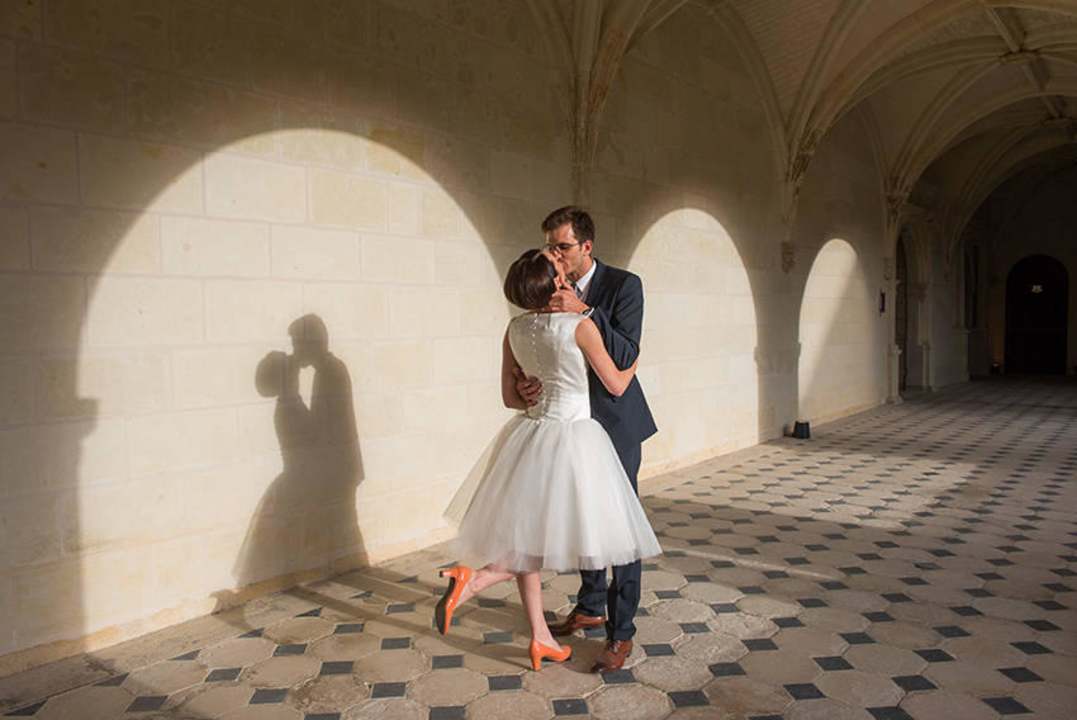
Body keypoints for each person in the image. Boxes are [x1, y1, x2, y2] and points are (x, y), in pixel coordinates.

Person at [437, 249, 661, 672]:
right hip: (577, 440)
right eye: (557, 268)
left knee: (529, 536)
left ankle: (541, 637)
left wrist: (528, 391)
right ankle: (475, 579)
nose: (563, 269)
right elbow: (614, 382)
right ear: (555, 284)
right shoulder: (580, 326)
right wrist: (632, 361)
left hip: (531, 435)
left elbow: (509, 398)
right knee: (590, 536)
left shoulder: (514, 328)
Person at [525, 206, 658, 672]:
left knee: (620, 529)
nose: (554, 256)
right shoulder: (547, 283)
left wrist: (584, 311)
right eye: (550, 246)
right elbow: (543, 351)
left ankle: (621, 634)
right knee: (583, 518)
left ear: (586, 246)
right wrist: (529, 384)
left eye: (562, 247)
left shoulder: (624, 286)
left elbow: (626, 353)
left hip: (615, 423)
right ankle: (589, 604)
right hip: (569, 423)